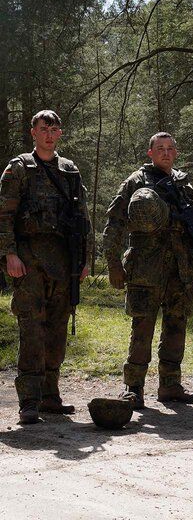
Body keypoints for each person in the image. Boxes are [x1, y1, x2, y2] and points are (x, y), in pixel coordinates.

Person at [103, 132, 193, 409]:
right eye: (159, 148)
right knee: (142, 328)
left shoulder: (184, 185)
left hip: (180, 268)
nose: (165, 153)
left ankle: (170, 385)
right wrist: (113, 264)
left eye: (170, 149)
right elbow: (114, 224)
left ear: (176, 153)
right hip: (145, 268)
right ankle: (133, 387)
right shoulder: (135, 182)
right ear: (150, 153)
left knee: (177, 325)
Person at [0, 110, 91, 424]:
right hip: (30, 259)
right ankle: (29, 400)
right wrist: (9, 254)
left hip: (63, 261)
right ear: (33, 132)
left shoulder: (69, 171)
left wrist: (84, 259)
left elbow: (82, 219)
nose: (49, 134)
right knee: (32, 329)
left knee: (57, 330)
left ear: (60, 133)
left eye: (54, 129)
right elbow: (4, 216)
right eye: (43, 129)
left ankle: (51, 396)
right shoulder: (19, 168)